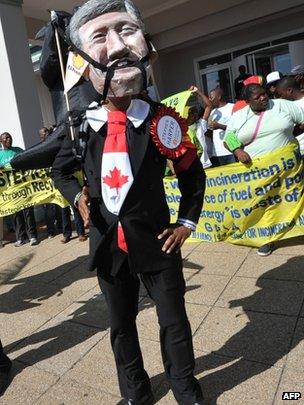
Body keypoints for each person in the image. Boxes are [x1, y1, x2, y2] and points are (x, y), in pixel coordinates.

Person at [51, 1, 205, 404]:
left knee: (174, 321)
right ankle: (135, 393)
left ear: (147, 46)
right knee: (121, 326)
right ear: (82, 65)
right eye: (101, 36)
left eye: (127, 30)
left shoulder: (162, 120)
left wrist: (186, 224)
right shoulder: (80, 127)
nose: (118, 46)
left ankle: (185, 389)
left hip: (157, 240)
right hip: (107, 244)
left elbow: (193, 174)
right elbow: (60, 172)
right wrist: (77, 199)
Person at [224, 83, 304, 256]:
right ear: (247, 101)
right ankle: (267, 238)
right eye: (257, 97)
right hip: (257, 172)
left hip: (287, 167)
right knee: (265, 203)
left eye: (264, 94)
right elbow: (228, 137)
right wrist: (237, 150)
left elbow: (302, 120)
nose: (263, 98)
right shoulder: (239, 117)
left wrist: (290, 138)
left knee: (291, 197)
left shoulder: (282, 105)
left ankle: (296, 227)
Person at [0, 132, 38, 247]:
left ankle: (33, 236)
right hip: (11, 191)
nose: (8, 139)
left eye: (9, 137)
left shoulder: (19, 150)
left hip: (24, 188)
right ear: (1, 142)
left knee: (28, 212)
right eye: (5, 138)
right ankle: (21, 238)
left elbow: (27, 162)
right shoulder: (0, 155)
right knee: (16, 215)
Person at [276, 76, 304, 156]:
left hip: (300, 150)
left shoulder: (288, 106)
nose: (281, 97)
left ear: (289, 90)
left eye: (281, 94)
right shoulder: (287, 105)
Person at [208, 88, 235, 167]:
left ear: (219, 97)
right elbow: (210, 131)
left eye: (211, 97)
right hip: (217, 152)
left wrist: (220, 126)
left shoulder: (232, 107)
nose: (209, 99)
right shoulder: (213, 112)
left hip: (232, 150)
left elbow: (237, 128)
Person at [187, 85, 212, 168]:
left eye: (195, 112)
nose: (194, 115)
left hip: (205, 165)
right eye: (191, 113)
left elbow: (209, 106)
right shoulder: (182, 129)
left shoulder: (200, 124)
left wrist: (198, 92)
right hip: (191, 167)